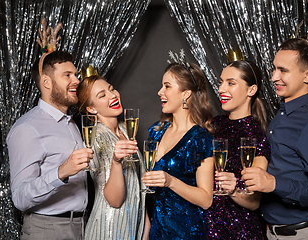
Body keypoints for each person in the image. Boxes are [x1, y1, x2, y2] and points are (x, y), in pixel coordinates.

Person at [241, 37, 308, 239]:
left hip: (306, 234)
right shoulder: (284, 112)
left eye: (283, 70)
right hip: (275, 232)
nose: (273, 77)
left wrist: (273, 184)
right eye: (274, 68)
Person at [7, 51, 93, 240]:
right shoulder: (27, 128)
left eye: (76, 74)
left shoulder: (71, 122)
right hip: (46, 229)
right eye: (67, 75)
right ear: (46, 82)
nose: (77, 81)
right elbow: (20, 197)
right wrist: (60, 172)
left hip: (81, 227)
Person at [141, 60, 214, 239]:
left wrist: (170, 181)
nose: (160, 92)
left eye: (167, 86)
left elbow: (206, 199)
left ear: (186, 94)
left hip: (186, 232)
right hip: (157, 231)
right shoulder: (156, 132)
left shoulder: (200, 139)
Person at [204, 60, 270, 239]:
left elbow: (255, 202)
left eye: (231, 83)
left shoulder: (256, 137)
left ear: (251, 90)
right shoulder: (213, 125)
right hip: (205, 227)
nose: (221, 89)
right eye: (221, 82)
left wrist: (234, 189)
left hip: (240, 232)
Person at [76, 74, 147, 240]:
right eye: (102, 95)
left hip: (132, 227)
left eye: (111, 89)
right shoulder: (96, 138)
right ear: (92, 109)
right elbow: (114, 200)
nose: (113, 95)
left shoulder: (126, 129)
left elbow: (137, 184)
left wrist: (145, 224)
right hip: (108, 229)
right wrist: (116, 162)